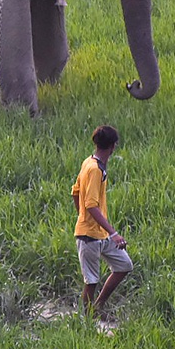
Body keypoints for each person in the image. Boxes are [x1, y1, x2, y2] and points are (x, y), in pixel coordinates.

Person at [71, 124, 134, 321]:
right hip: (90, 236)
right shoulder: (95, 169)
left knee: (124, 265)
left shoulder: (89, 162)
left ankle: (97, 306)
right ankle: (87, 319)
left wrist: (82, 216)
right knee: (91, 281)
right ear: (113, 146)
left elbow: (75, 192)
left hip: (99, 234)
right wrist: (113, 233)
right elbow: (90, 204)